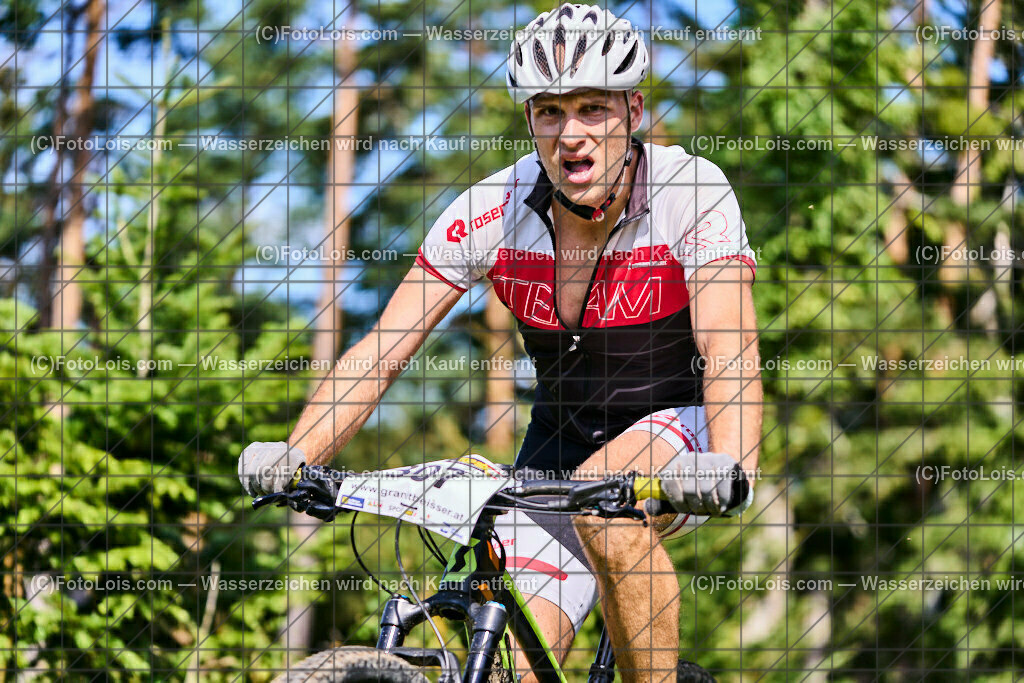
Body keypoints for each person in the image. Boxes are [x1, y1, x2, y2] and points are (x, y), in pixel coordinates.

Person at [239, 4, 762, 681]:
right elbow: (383, 347)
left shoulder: (692, 192)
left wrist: (730, 466)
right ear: (529, 121)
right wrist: (296, 455)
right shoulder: (490, 211)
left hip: (682, 425)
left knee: (611, 512)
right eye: (549, 111)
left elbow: (729, 346)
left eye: (593, 108)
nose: (571, 134)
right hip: (560, 440)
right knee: (518, 652)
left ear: (633, 110)